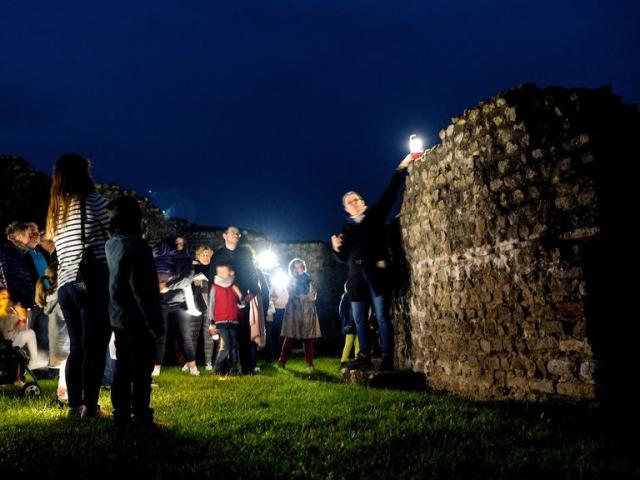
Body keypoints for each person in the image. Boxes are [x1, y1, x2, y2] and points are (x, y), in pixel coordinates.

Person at [330, 154, 416, 371]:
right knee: (359, 321)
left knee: (382, 318)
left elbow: (390, 194)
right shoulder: (346, 230)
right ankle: (364, 356)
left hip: (376, 277)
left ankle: (387, 357)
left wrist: (401, 168)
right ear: (346, 209)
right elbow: (343, 259)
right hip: (357, 281)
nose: (353, 203)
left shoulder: (375, 215)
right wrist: (336, 249)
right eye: (348, 202)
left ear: (363, 201)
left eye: (355, 199)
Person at [46, 153, 112, 418]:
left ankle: (74, 406)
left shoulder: (56, 210)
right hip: (90, 282)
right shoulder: (92, 201)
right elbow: (113, 226)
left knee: (78, 346)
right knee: (95, 346)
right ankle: (91, 406)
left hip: (66, 286)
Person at [105, 196, 164, 428]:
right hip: (137, 317)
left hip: (118, 316)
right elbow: (142, 289)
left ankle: (120, 415)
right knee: (141, 369)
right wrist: (153, 323)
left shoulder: (111, 244)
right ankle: (141, 416)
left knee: (123, 366)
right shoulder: (137, 247)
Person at [210, 226, 260, 374]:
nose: (236, 235)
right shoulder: (217, 256)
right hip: (224, 300)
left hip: (242, 298)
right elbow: (212, 278)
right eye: (232, 232)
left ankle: (247, 368)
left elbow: (252, 273)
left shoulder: (245, 254)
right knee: (226, 335)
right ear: (224, 235)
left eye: (238, 233)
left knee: (245, 333)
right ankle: (223, 368)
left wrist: (254, 292)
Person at [152, 237, 199, 376]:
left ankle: (193, 367)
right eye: (176, 242)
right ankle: (156, 368)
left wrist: (168, 285)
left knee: (185, 336)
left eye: (182, 242)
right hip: (160, 300)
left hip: (179, 301)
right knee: (160, 336)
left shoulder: (185, 259)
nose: (179, 244)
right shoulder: (159, 258)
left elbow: (188, 277)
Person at [35, 263, 70, 403]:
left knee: (64, 371)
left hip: (56, 342)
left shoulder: (50, 296)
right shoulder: (60, 296)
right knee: (68, 370)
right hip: (64, 342)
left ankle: (62, 395)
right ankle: (65, 396)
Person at [278, 259, 321, 371]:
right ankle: (282, 361)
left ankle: (309, 363)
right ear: (292, 269)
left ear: (303, 266)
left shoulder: (309, 279)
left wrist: (303, 297)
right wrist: (300, 296)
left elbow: (313, 295)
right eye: (295, 267)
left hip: (307, 310)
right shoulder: (291, 280)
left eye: (300, 266)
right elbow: (291, 293)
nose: (298, 269)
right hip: (293, 310)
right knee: (290, 337)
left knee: (307, 338)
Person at [0, 287, 48, 372]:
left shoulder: (8, 310)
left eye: (7, 297)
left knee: (29, 333)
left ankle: (34, 360)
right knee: (30, 333)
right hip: (7, 345)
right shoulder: (3, 313)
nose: (7, 299)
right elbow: (7, 331)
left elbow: (17, 326)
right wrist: (17, 315)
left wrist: (20, 318)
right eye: (3, 297)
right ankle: (33, 361)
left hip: (12, 341)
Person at [207, 262, 242, 375]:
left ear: (231, 272)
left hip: (233, 320)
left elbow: (241, 305)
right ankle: (217, 368)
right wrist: (211, 322)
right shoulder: (215, 287)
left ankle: (233, 369)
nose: (220, 274)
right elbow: (211, 305)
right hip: (220, 321)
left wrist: (240, 295)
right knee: (226, 345)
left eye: (223, 272)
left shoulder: (234, 287)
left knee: (233, 346)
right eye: (219, 272)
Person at [191, 246, 215, 370]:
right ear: (198, 257)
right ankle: (191, 363)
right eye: (203, 255)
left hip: (209, 306)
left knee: (208, 335)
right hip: (195, 305)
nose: (205, 257)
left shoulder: (214, 269)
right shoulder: (193, 268)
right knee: (192, 335)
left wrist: (204, 280)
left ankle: (208, 363)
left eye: (208, 255)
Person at [338, 287, 360, 369]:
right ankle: (343, 360)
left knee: (358, 343)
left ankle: (357, 359)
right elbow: (342, 312)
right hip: (349, 323)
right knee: (349, 342)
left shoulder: (355, 295)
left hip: (356, 323)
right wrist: (345, 323)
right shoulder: (345, 297)